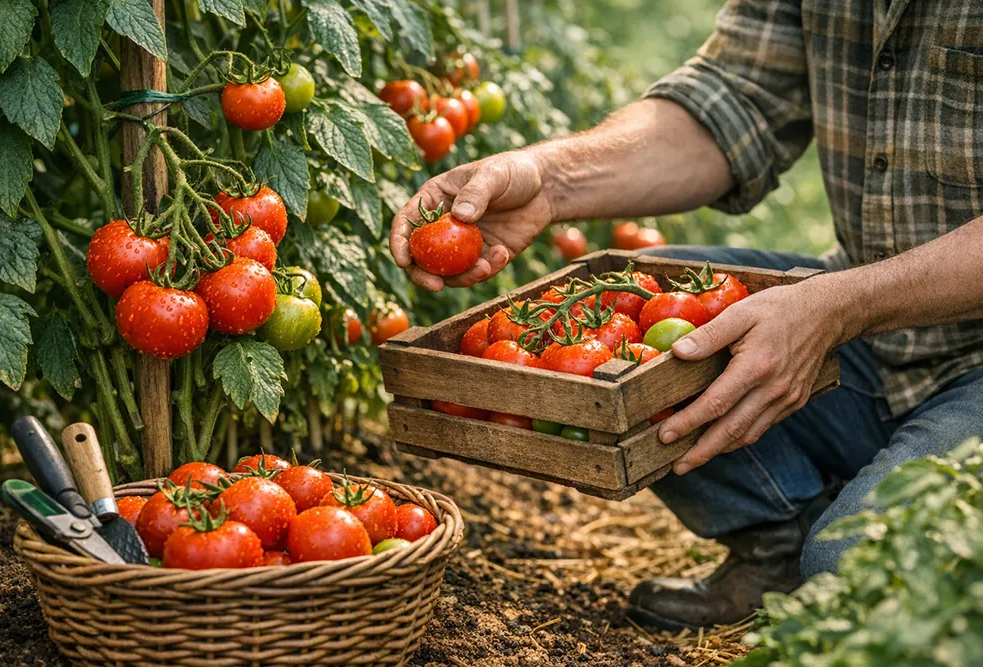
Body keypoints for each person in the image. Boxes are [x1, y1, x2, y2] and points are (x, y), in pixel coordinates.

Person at [389, 0, 983, 631]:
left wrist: (841, 305)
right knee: (645, 311)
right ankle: (778, 539)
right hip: (881, 341)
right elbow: (730, 102)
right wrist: (549, 177)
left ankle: (840, 527)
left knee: (861, 577)